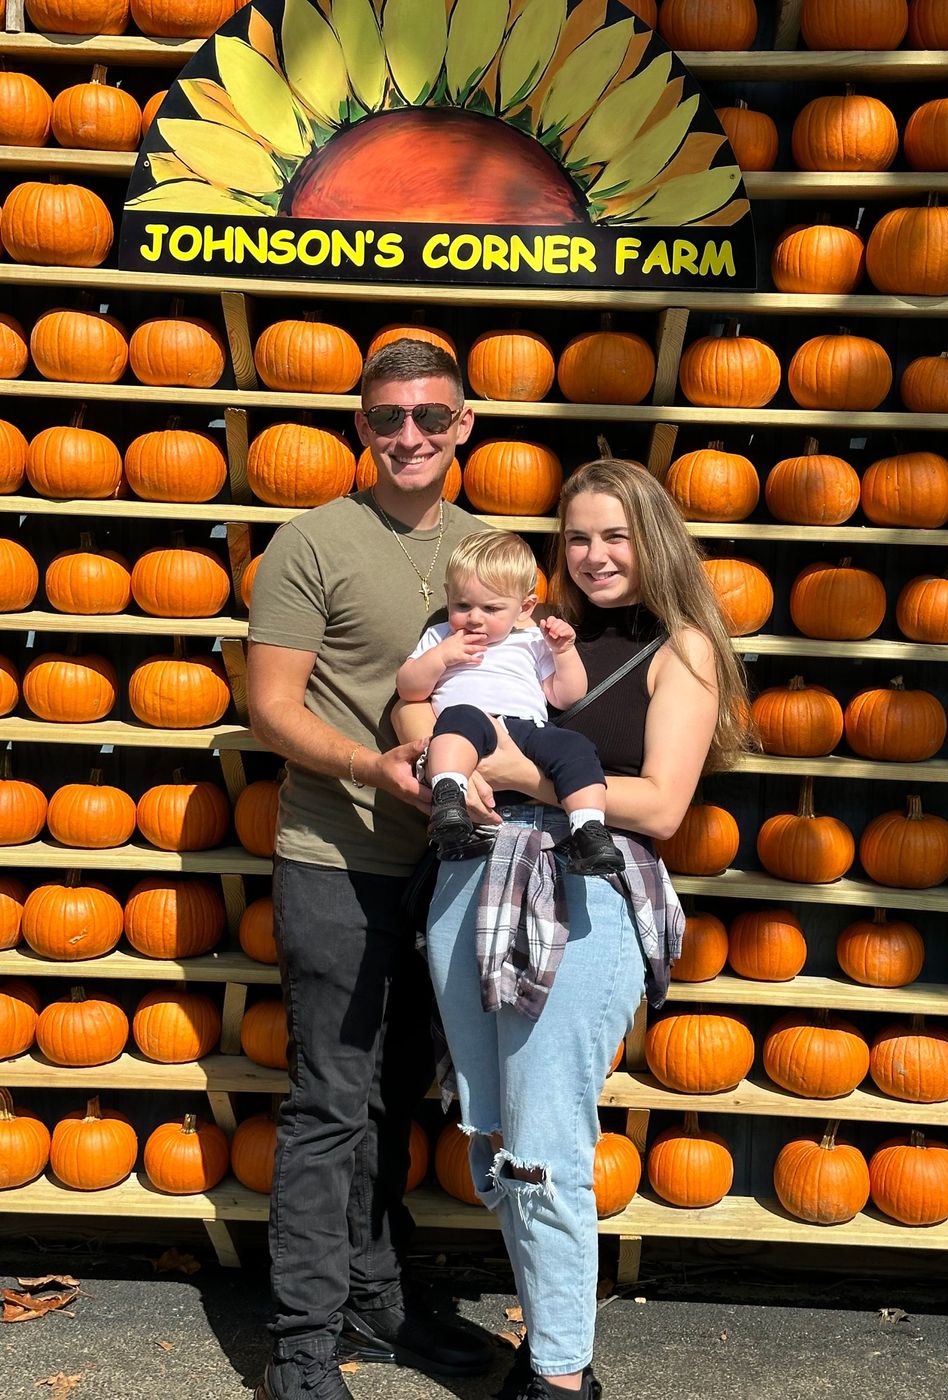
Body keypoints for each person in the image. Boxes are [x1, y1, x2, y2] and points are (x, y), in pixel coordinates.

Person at [422, 458, 750, 1399]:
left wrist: (520, 772)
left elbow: (661, 804)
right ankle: (548, 1335)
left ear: (654, 540)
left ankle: (562, 1373)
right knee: (489, 1131)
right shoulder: (528, 633)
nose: (597, 555)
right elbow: (437, 699)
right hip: (473, 882)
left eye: (616, 535)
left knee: (547, 1140)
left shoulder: (681, 648)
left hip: (581, 890)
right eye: (579, 537)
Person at [246, 339, 494, 1400]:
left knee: (399, 1092)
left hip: (452, 867)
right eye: (388, 416)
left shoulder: (496, 550)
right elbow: (272, 705)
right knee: (330, 1099)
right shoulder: (311, 542)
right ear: (361, 424)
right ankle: (301, 1340)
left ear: (464, 424)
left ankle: (375, 1293)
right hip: (336, 852)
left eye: (430, 417)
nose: (409, 436)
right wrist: (367, 763)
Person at [397, 529, 625, 875]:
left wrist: (563, 651)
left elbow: (566, 695)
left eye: (491, 608)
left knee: (575, 747)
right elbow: (408, 689)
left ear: (524, 608)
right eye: (462, 605)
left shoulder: (533, 640)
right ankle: (449, 798)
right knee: (457, 721)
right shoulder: (441, 636)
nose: (474, 618)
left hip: (527, 731)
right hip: (468, 728)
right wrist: (440, 659)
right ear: (448, 597)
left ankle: (589, 828)